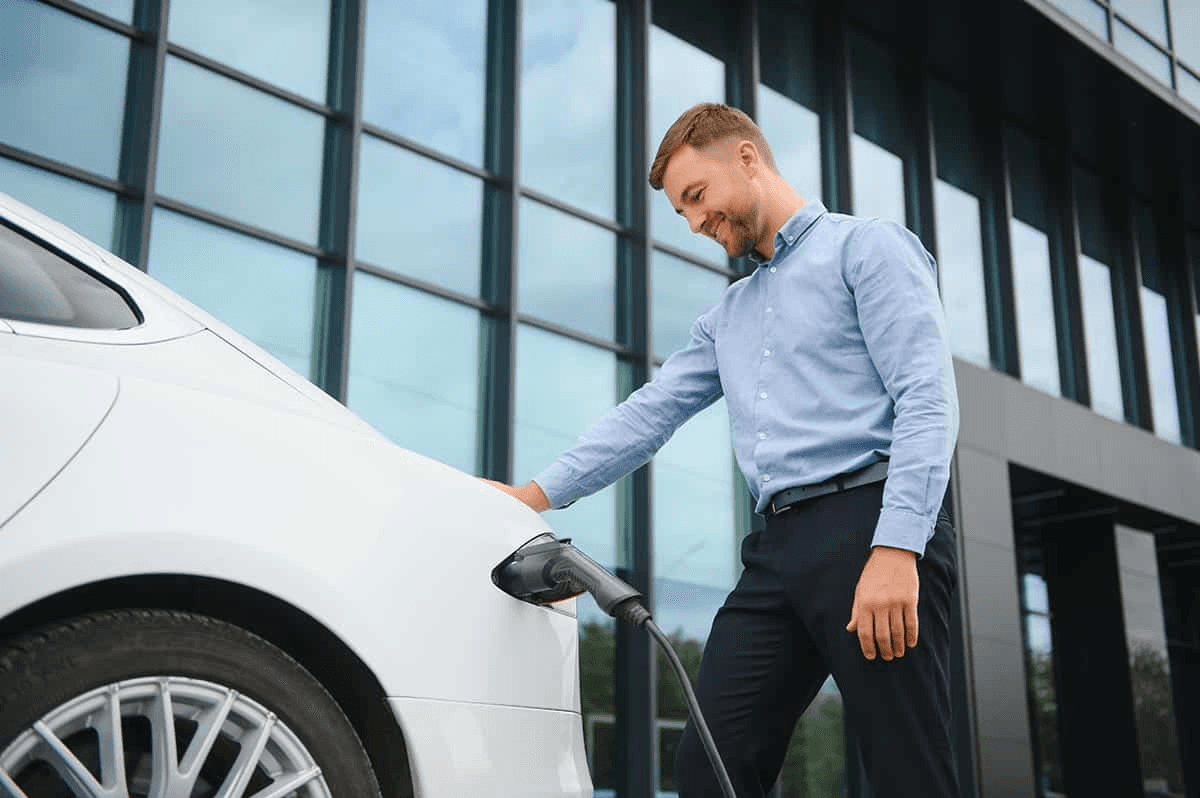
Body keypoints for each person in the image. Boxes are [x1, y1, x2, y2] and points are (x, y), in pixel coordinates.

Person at [485, 102, 960, 798]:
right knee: (711, 766)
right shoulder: (728, 317)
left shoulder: (868, 248)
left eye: (696, 198)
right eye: (683, 214)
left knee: (907, 768)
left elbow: (927, 397)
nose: (697, 223)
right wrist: (533, 495)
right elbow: (650, 413)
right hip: (777, 552)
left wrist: (898, 546)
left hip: (873, 526)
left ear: (745, 157)